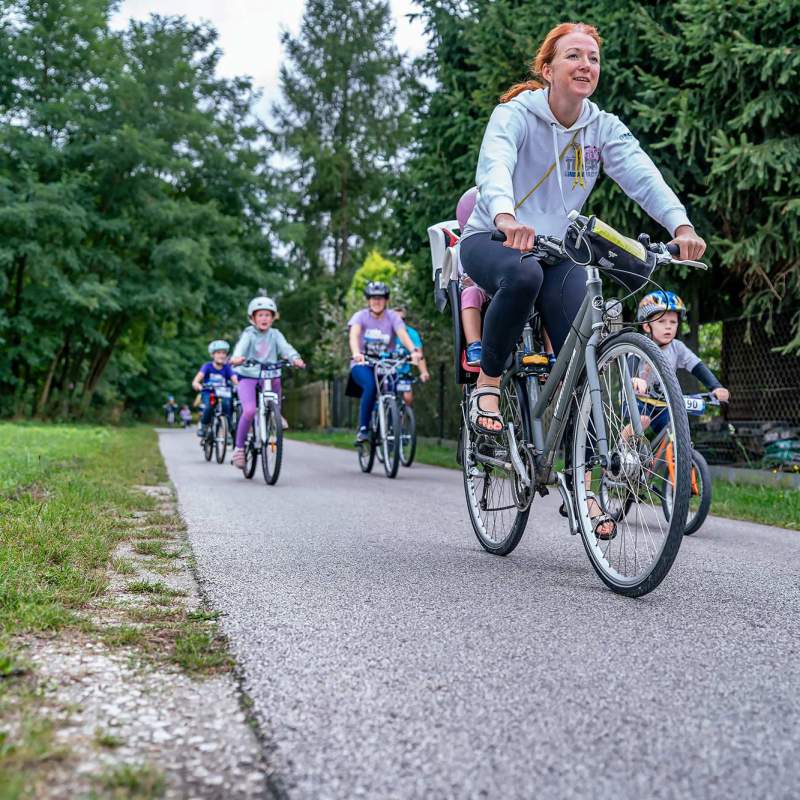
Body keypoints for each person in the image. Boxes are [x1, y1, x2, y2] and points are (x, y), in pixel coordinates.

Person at [458, 21, 707, 538]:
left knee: (582, 345)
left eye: (593, 58)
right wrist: (504, 216)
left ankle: (585, 490)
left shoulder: (602, 128)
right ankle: (489, 383)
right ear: (548, 69)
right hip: (494, 240)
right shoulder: (516, 115)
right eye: (574, 56)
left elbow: (642, 175)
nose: (585, 66)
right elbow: (495, 165)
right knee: (521, 277)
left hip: (556, 249)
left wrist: (679, 224)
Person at [633, 291, 729, 433]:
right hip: (637, 400)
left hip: (664, 403)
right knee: (642, 421)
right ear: (647, 326)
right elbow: (631, 361)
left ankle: (667, 456)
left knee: (676, 433)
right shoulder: (639, 343)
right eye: (661, 321)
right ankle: (622, 447)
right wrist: (634, 378)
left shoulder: (677, 347)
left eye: (673, 322)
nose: (668, 326)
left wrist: (715, 387)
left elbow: (697, 366)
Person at [229, 296, 305, 469]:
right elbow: (241, 347)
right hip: (248, 375)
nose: (264, 318)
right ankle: (239, 449)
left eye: (268, 315)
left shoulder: (275, 335)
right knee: (249, 410)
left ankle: (276, 412)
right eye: (260, 315)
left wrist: (295, 358)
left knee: (276, 378)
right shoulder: (249, 334)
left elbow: (286, 347)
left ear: (273, 318)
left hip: (268, 375)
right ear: (253, 318)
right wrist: (236, 358)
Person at [347, 281, 420, 443]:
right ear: (368, 300)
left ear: (386, 300)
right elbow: (353, 336)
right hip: (363, 363)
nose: (377, 301)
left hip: (386, 364)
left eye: (380, 298)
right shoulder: (360, 316)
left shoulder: (393, 317)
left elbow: (403, 335)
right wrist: (356, 353)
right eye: (373, 298)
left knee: (393, 390)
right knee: (371, 386)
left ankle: (392, 426)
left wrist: (413, 351)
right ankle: (364, 429)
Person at [191, 340, 238, 438]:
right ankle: (204, 426)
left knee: (227, 407)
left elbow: (235, 379)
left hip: (223, 393)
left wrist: (239, 386)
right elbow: (196, 380)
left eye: (224, 353)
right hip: (209, 393)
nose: (221, 355)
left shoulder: (227, 368)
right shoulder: (207, 366)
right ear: (212, 355)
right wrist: (198, 385)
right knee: (209, 406)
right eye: (218, 353)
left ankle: (227, 431)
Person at [391, 306, 430, 405]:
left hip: (403, 374)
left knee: (408, 399)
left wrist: (424, 372)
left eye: (402, 319)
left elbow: (419, 355)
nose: (399, 321)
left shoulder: (411, 333)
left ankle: (401, 419)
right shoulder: (385, 331)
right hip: (385, 371)